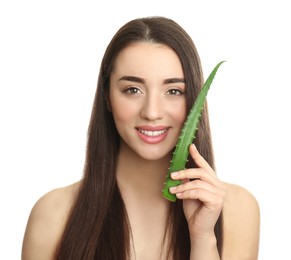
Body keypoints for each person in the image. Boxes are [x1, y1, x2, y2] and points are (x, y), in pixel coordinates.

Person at [21, 16, 260, 260]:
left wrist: (203, 239)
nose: (152, 112)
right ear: (107, 97)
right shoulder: (53, 214)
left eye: (174, 91)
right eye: (133, 90)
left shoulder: (236, 210)